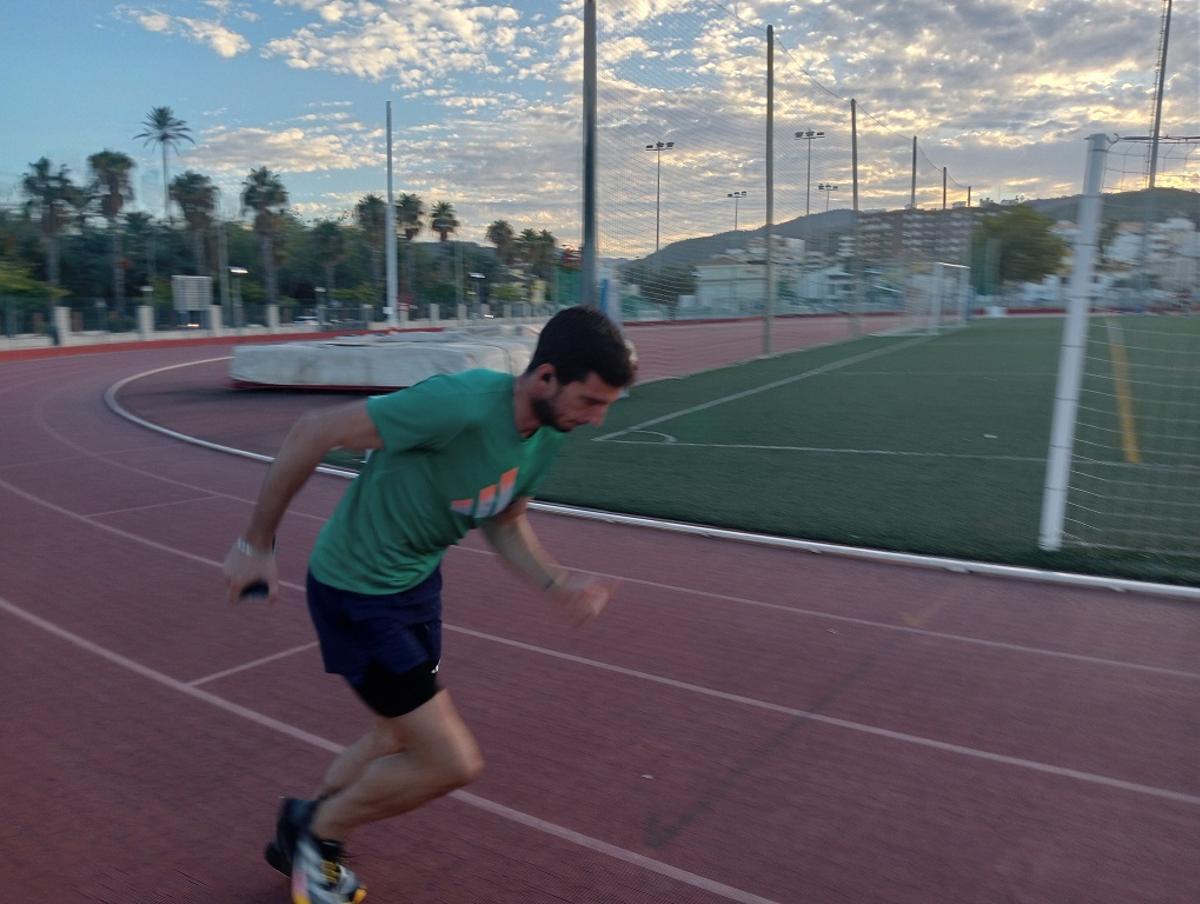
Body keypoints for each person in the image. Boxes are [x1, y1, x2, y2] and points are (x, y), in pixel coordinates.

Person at [222, 306, 635, 904]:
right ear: (546, 377)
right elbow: (313, 429)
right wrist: (256, 544)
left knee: (393, 737)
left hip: (415, 588)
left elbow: (504, 518)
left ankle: (301, 829)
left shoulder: (546, 436)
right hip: (357, 591)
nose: (596, 419)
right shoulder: (459, 405)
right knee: (451, 761)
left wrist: (555, 583)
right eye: (591, 401)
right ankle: (318, 837)